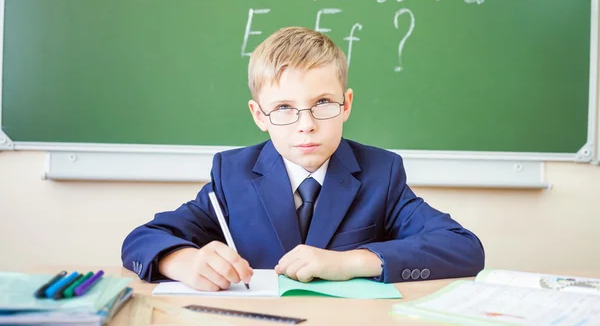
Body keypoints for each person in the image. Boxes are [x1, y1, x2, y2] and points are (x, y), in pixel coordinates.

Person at [121, 27, 484, 291]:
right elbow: (142, 239)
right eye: (283, 108)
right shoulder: (233, 176)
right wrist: (183, 261)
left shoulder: (381, 173)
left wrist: (350, 262)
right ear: (259, 115)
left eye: (323, 103)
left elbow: (463, 248)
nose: (306, 125)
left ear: (347, 105)